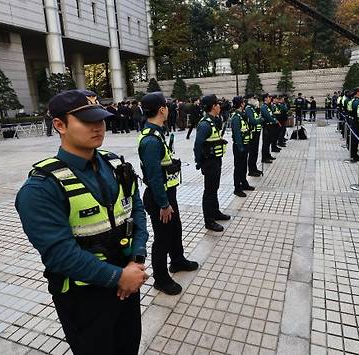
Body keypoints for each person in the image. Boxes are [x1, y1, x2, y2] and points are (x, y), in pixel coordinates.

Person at [15, 89, 149, 354]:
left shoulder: (115, 164)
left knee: (128, 347)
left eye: (100, 119)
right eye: (87, 121)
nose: (98, 127)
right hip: (84, 297)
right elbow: (59, 255)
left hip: (128, 283)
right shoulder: (41, 188)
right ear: (59, 125)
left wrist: (137, 258)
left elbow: (137, 211)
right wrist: (118, 276)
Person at [138, 92, 198, 295]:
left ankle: (178, 260)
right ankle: (161, 279)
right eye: (166, 106)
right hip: (158, 198)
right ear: (162, 109)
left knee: (175, 229)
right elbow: (154, 177)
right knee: (162, 238)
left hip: (167, 194)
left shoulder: (157, 133)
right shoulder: (150, 141)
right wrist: (164, 205)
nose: (169, 109)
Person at [194, 94, 230, 232]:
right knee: (209, 191)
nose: (220, 106)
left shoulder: (214, 120)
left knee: (214, 189)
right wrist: (199, 162)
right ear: (213, 107)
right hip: (209, 162)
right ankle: (209, 221)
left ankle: (215, 212)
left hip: (216, 160)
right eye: (218, 104)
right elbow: (198, 145)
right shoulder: (204, 124)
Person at [230, 96, 255, 196]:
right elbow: (237, 134)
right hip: (239, 146)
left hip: (245, 144)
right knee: (238, 167)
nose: (245, 104)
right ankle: (237, 188)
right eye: (243, 102)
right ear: (241, 104)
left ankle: (244, 183)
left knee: (243, 166)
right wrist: (240, 147)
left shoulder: (242, 115)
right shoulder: (236, 117)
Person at [245, 96, 263, 176]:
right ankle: (251, 170)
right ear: (250, 100)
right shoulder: (248, 109)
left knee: (255, 152)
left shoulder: (253, 109)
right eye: (254, 99)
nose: (256, 100)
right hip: (252, 134)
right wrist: (260, 120)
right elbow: (252, 121)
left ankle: (254, 168)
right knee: (252, 152)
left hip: (256, 133)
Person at [261, 94, 277, 163]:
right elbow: (268, 116)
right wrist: (274, 121)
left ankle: (268, 155)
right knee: (266, 143)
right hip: (266, 126)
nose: (270, 98)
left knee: (269, 141)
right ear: (265, 99)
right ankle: (264, 158)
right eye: (268, 97)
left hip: (270, 126)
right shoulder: (264, 107)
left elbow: (272, 114)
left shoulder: (268, 106)